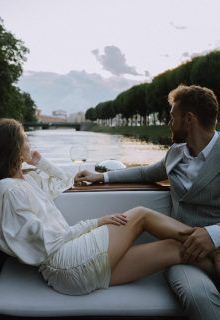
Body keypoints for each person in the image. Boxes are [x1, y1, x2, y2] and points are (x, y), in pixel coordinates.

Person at [0, 118, 218, 297]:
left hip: (73, 266)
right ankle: (211, 242)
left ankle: (215, 259)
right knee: (140, 214)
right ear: (13, 149)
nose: (29, 144)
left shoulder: (28, 179)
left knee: (175, 249)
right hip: (65, 263)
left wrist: (39, 162)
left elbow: (64, 181)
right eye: (25, 140)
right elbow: (47, 243)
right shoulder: (8, 190)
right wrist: (95, 223)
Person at [75, 84, 220, 319]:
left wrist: (213, 235)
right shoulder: (175, 153)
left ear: (189, 119)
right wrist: (100, 177)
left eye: (172, 117)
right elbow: (144, 174)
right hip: (183, 254)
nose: (168, 123)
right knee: (198, 296)